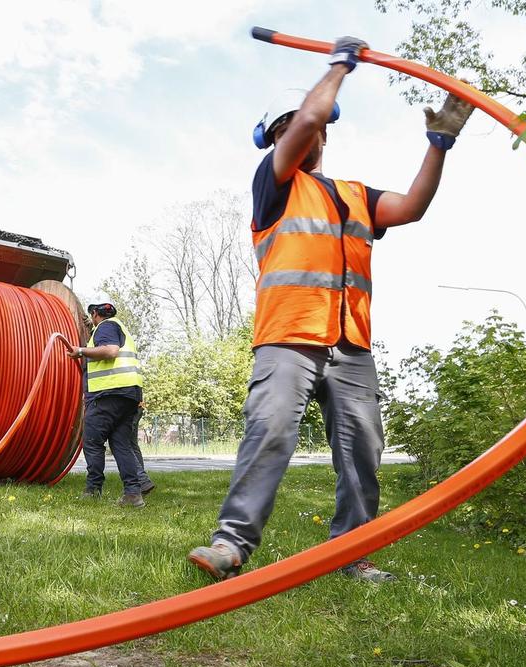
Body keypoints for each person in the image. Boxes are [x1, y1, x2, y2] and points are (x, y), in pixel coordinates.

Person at [187, 36, 475, 582]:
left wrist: (438, 143)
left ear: (327, 134)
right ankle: (230, 544)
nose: (298, 133)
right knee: (269, 431)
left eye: (306, 126)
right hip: (289, 336)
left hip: (351, 344)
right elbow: (309, 116)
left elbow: (412, 207)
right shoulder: (273, 185)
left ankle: (350, 555)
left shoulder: (356, 196)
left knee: (363, 447)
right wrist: (340, 65)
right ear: (276, 139)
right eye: (285, 129)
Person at [70, 297, 154, 507]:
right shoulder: (119, 327)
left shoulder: (106, 327)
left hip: (108, 394)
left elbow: (109, 351)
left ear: (96, 315)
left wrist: (80, 351)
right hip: (128, 395)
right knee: (121, 445)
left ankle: (93, 490)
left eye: (92, 317)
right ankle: (133, 494)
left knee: (92, 441)